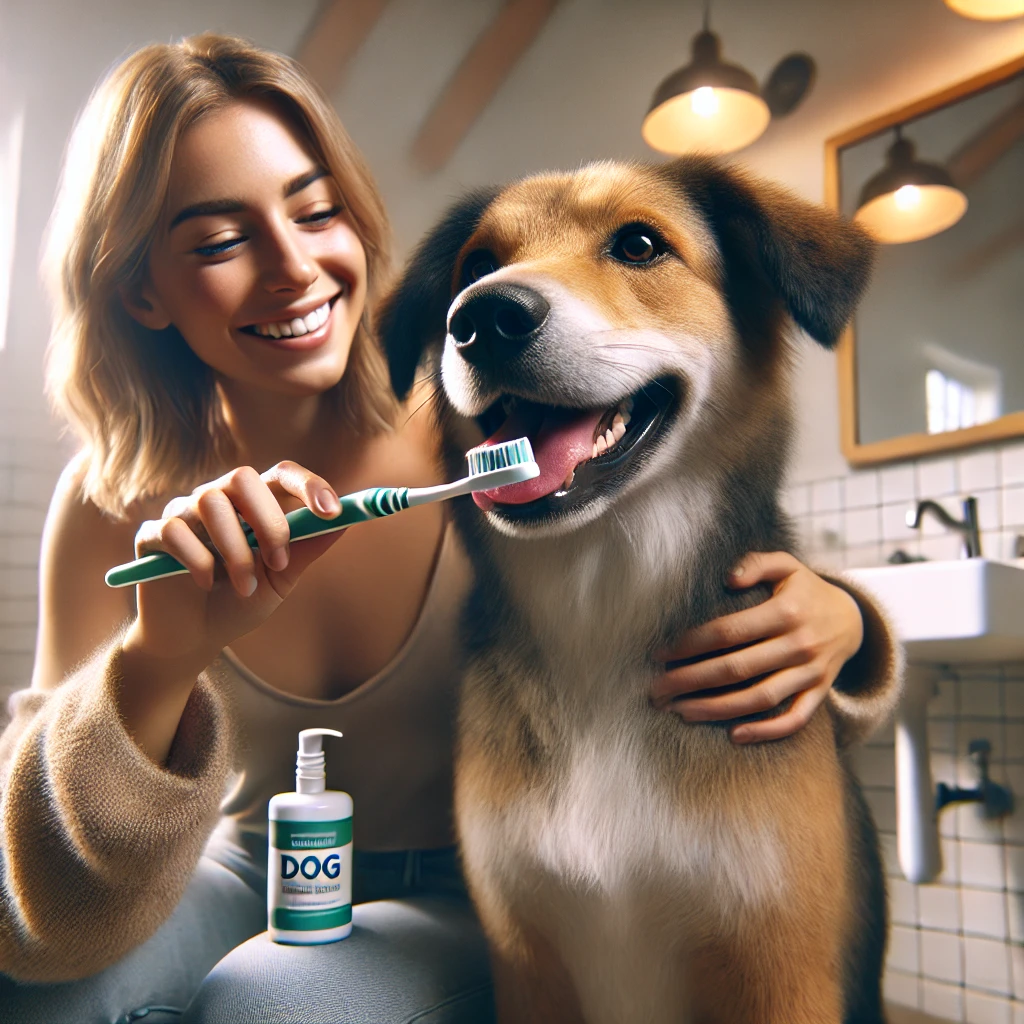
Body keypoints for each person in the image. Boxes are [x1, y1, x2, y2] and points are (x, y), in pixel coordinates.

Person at [0, 33, 900, 1024]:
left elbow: (676, 575)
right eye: (218, 241)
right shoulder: (108, 502)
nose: (295, 269)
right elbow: (45, 917)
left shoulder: (485, 428)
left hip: (456, 888)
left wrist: (847, 622)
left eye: (316, 209)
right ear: (139, 289)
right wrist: (159, 656)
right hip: (236, 862)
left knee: (276, 1005)